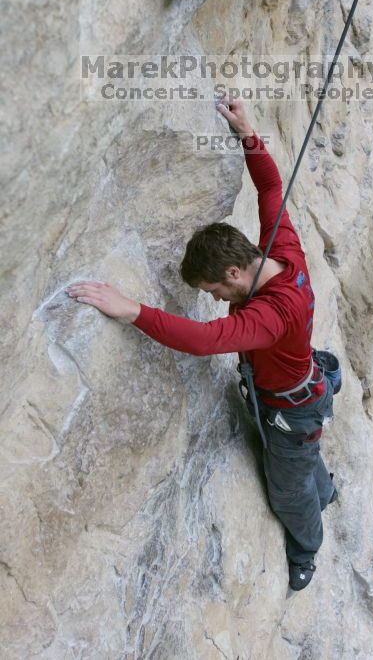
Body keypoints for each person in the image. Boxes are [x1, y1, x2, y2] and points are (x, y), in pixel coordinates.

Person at [66, 98, 337, 592]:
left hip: (290, 410)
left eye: (215, 290)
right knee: (303, 458)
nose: (215, 300)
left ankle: (308, 546)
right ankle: (328, 488)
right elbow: (272, 187)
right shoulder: (281, 248)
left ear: (234, 271)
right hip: (301, 396)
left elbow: (203, 340)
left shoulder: (273, 314)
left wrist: (131, 309)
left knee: (289, 488)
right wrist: (247, 134)